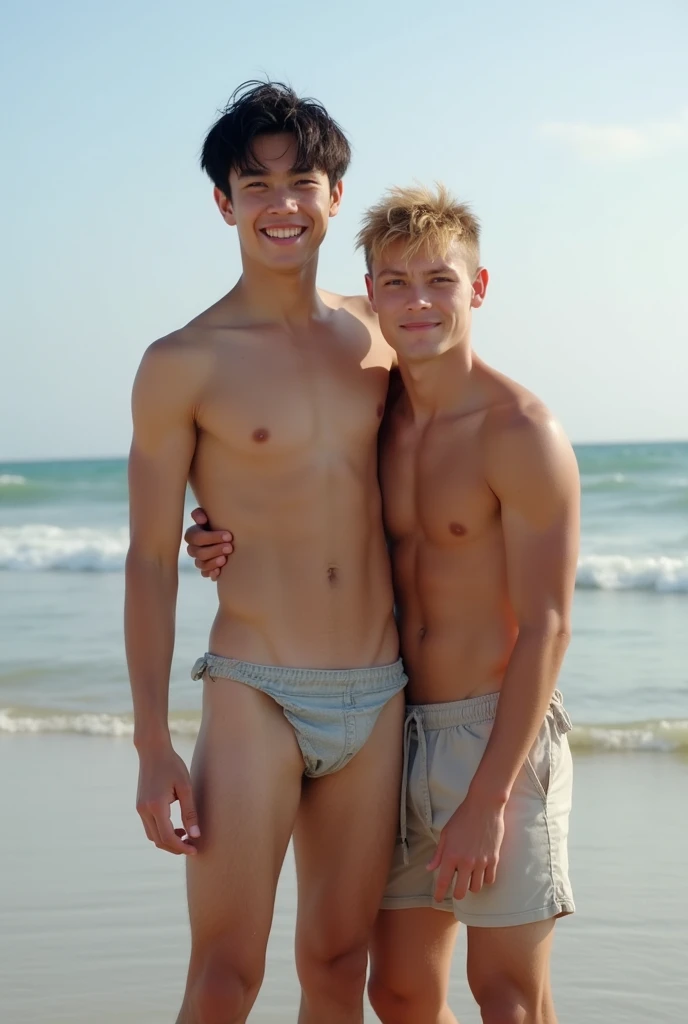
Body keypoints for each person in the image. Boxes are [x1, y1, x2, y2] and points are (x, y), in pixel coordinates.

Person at [188, 185, 579, 1023]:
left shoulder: (521, 431)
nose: (417, 301)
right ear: (370, 294)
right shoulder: (380, 408)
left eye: (439, 280)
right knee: (398, 992)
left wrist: (489, 799)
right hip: (392, 728)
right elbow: (302, 498)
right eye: (394, 283)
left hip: (492, 734)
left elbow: (549, 624)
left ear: (477, 288)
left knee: (507, 997)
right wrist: (218, 531)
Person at [124, 80, 407, 1024]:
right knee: (225, 976)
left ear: (335, 193)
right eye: (256, 184)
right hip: (257, 687)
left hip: (379, 687)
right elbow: (151, 558)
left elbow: (446, 487)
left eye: (303, 181)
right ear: (224, 203)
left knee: (337, 966)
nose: (282, 204)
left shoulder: (382, 337)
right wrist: (152, 741)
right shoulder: (183, 361)